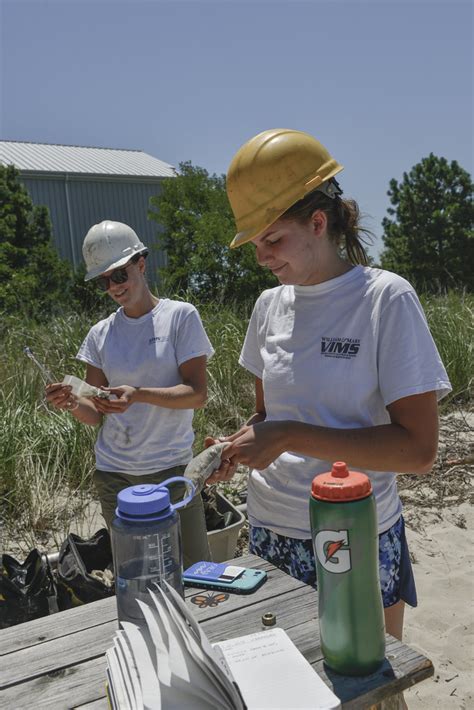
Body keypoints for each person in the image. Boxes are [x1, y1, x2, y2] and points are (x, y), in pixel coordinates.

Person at [207, 128, 451, 642]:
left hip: (353, 532)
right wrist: (239, 445)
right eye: (255, 244)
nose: (262, 257)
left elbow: (418, 450)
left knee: (369, 681)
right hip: (270, 532)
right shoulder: (267, 307)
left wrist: (289, 435)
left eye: (273, 239)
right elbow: (268, 417)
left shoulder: (385, 299)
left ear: (319, 223)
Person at [45, 220, 213, 567]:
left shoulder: (180, 317)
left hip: (173, 471)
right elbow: (95, 413)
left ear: (141, 263)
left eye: (119, 275)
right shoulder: (100, 334)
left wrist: (137, 394)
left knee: (196, 571)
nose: (113, 287)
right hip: (115, 475)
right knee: (136, 577)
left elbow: (197, 394)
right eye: (105, 281)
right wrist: (73, 402)